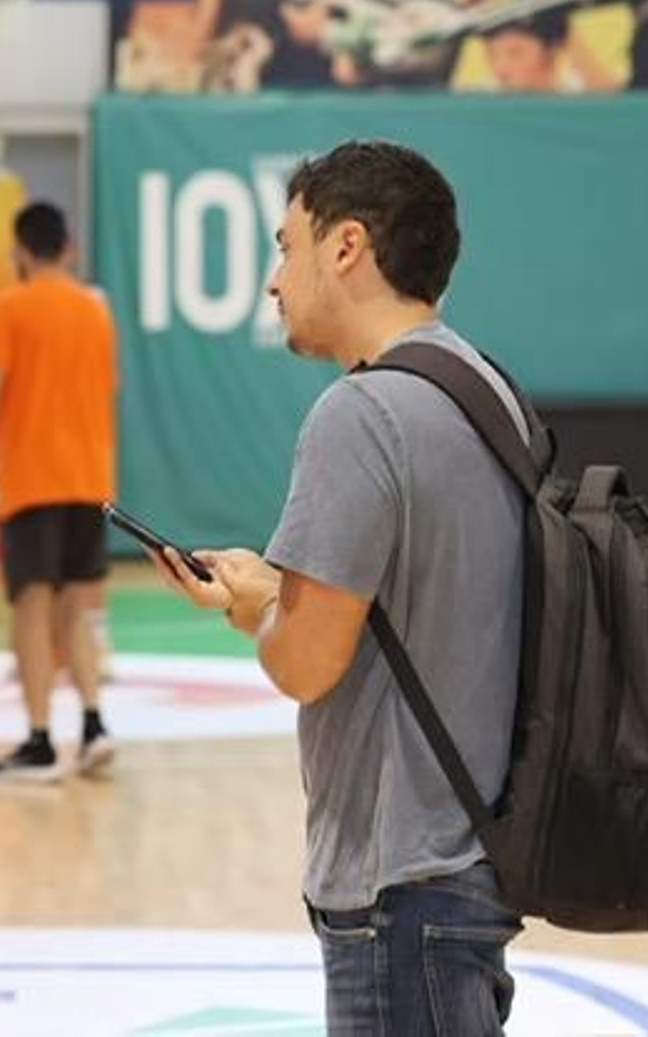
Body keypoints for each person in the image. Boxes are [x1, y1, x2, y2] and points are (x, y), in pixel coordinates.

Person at [153, 142, 527, 1034]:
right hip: (474, 860)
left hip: (398, 885)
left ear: (348, 246)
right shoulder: (485, 388)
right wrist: (276, 588)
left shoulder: (360, 413)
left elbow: (306, 662)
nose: (273, 281)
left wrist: (259, 609)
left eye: (287, 247)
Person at [0, 201, 119, 782]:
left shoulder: (11, 305)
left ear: (21, 251)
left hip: (32, 478)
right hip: (89, 478)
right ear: (68, 247)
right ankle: (95, 725)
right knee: (77, 609)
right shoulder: (95, 312)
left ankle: (38, 740)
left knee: (32, 609)